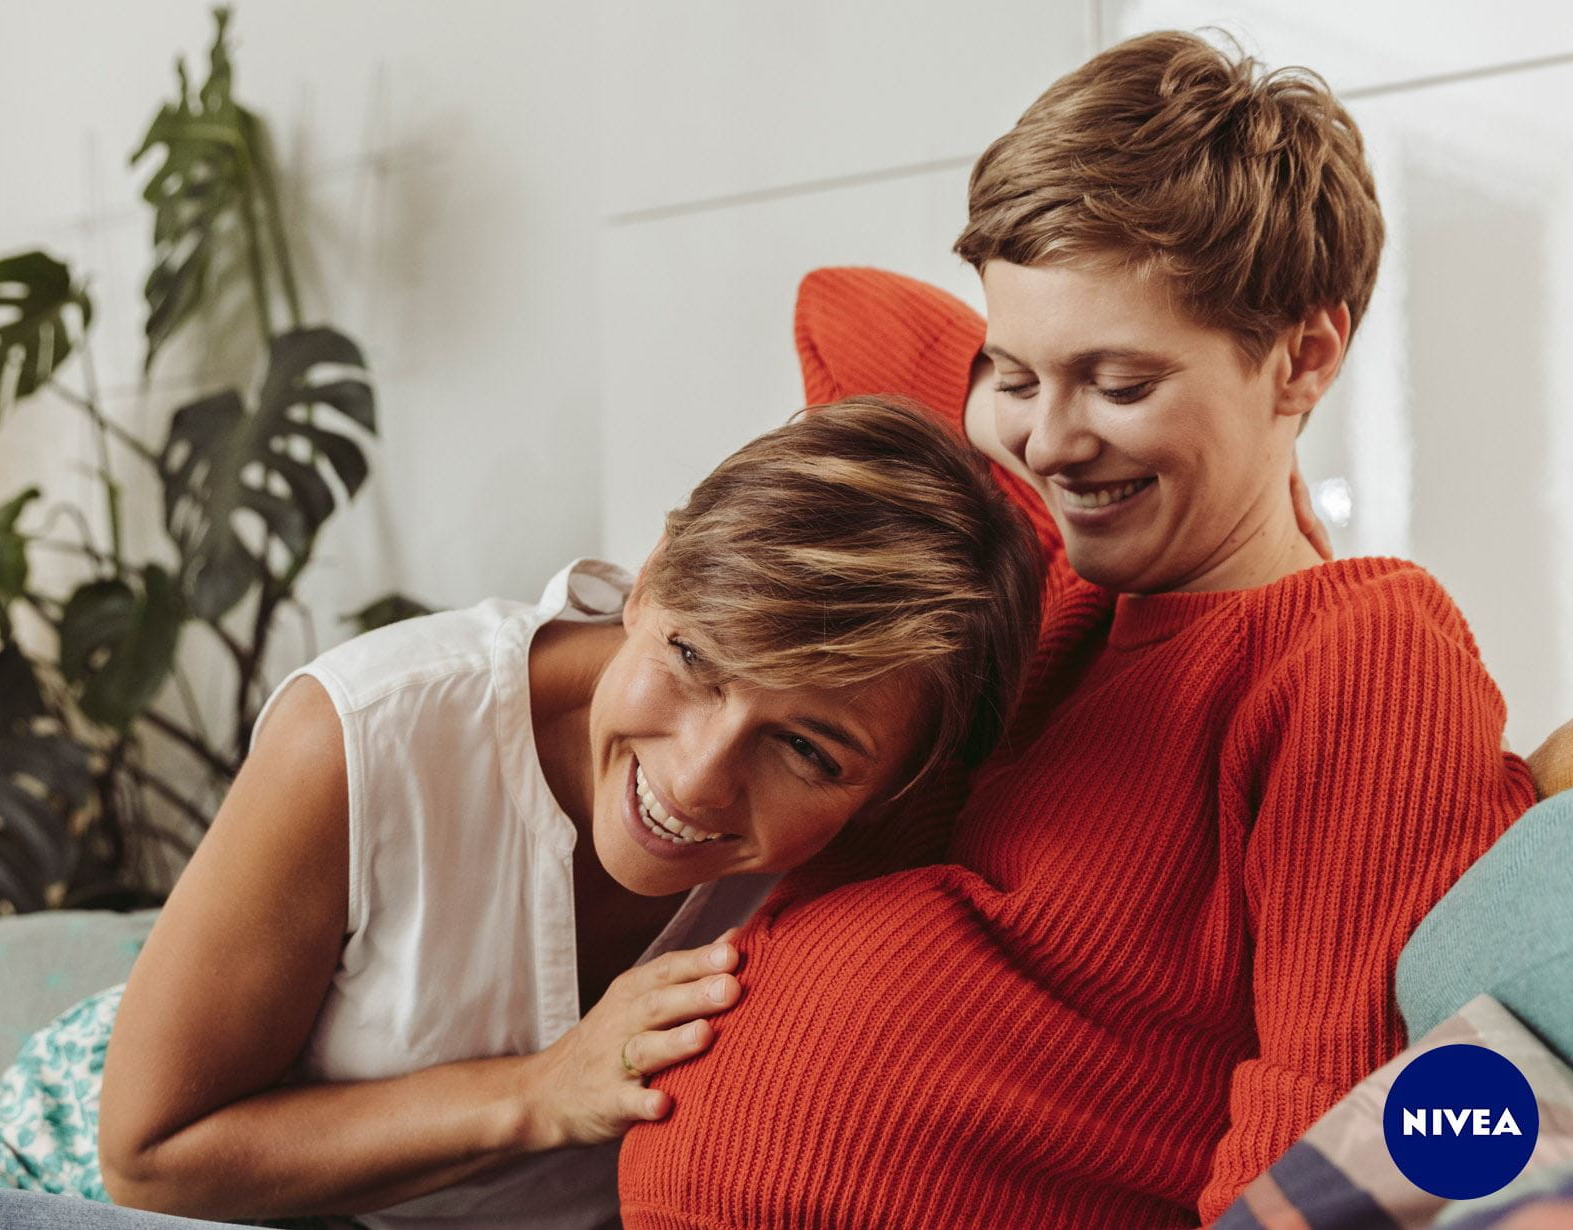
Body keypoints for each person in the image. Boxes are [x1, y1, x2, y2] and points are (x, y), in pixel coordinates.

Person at [615, 31, 1542, 1228]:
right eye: (1010, 374)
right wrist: (1166, 456)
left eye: (1117, 383)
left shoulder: (1355, 651)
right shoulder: (1042, 584)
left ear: (1304, 355)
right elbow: (843, 309)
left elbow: (1327, 1106)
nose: (1046, 442)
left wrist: (1250, 524)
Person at [0, 398, 1041, 1229]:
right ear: (650, 579)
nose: (701, 777)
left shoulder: (885, 835)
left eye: (806, 748)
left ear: (899, 783)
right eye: (694, 659)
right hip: (80, 1184)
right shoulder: (365, 732)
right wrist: (538, 1094)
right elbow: (148, 1155)